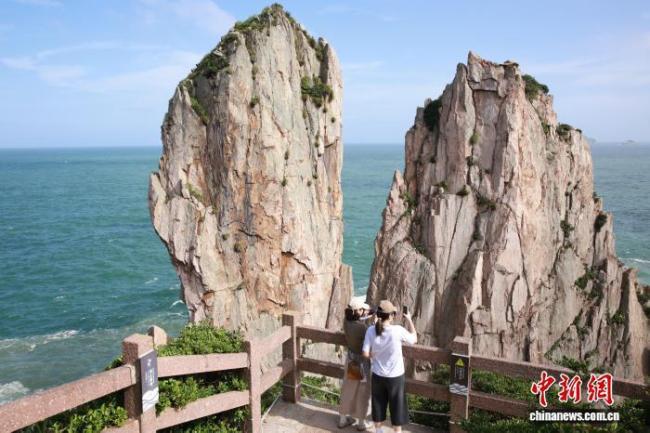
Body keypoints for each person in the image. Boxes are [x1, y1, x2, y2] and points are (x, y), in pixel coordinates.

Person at [362, 300, 417, 433]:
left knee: (378, 404)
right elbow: (414, 339)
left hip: (377, 375)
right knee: (397, 407)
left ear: (378, 314)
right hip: (395, 377)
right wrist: (409, 320)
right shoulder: (397, 330)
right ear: (391, 316)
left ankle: (378, 431)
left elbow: (365, 353)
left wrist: (373, 355)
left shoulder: (370, 330)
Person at [338, 298, 374, 431]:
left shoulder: (346, 321)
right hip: (362, 363)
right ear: (356, 311)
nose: (364, 311)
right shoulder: (362, 328)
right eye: (361, 309)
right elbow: (371, 335)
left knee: (349, 389)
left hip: (352, 360)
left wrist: (365, 315)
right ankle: (361, 423)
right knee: (363, 391)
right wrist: (374, 322)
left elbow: (356, 320)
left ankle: (342, 419)